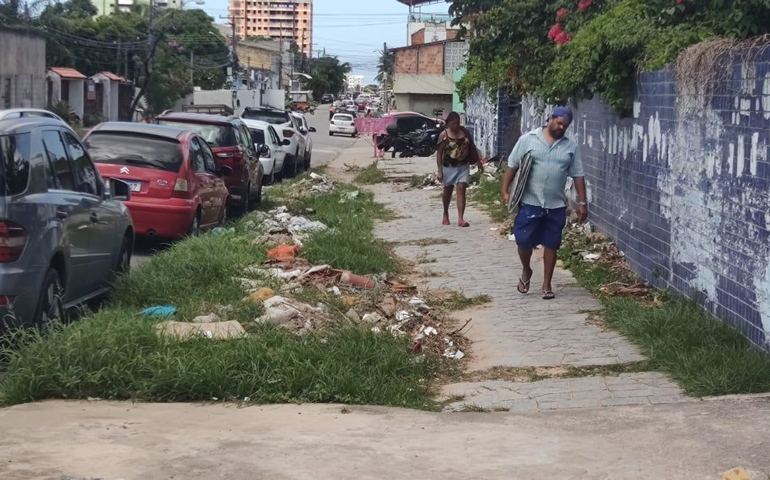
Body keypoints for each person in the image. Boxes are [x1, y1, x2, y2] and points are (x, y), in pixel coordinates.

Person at [501, 107, 588, 300]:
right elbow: (512, 165)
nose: (561, 127)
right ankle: (526, 270)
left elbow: (578, 175)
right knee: (523, 240)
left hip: (556, 204)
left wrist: (582, 202)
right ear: (550, 119)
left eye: (565, 125)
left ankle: (547, 283)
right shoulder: (528, 140)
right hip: (530, 202)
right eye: (559, 123)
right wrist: (505, 190)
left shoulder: (570, 147)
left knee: (551, 244)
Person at [436, 112, 481, 227]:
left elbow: (472, 147)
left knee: (461, 189)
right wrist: (440, 171)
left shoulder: (465, 132)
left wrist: (479, 162)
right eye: (453, 123)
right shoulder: (444, 135)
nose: (456, 125)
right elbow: (439, 153)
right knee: (448, 190)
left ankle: (461, 218)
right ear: (448, 124)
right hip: (448, 167)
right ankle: (445, 213)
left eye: (457, 123)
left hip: (463, 167)